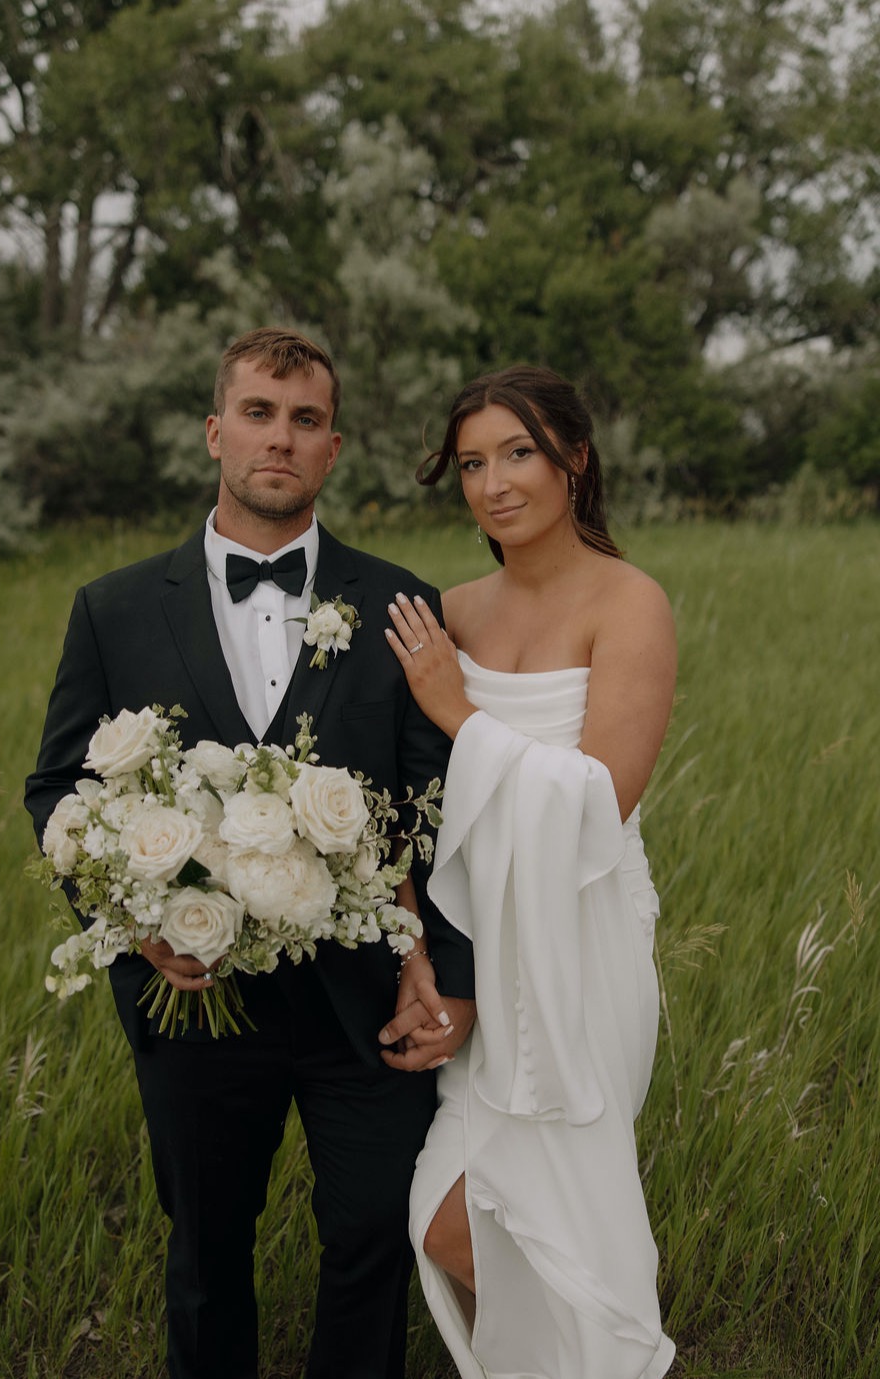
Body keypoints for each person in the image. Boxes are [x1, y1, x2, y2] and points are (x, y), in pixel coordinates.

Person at [24, 327, 475, 1379]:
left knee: (370, 1239)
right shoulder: (115, 606)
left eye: (306, 420)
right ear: (215, 431)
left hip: (370, 1008)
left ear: (333, 448)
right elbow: (58, 788)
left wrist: (442, 977)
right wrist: (136, 926)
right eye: (261, 413)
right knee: (207, 1250)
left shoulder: (400, 601)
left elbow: (436, 809)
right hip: (189, 999)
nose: (282, 438)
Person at [380, 364, 677, 1378]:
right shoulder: (449, 610)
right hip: (477, 942)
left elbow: (601, 801)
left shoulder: (629, 602)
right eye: (472, 462)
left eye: (519, 453)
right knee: (447, 1218)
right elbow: (414, 804)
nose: (495, 481)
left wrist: (457, 711)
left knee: (561, 1211)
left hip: (581, 946)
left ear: (574, 460)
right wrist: (423, 947)